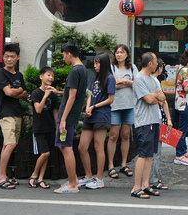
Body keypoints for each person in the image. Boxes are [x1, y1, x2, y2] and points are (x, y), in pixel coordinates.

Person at [54, 41, 89, 194]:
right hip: (70, 115)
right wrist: (60, 92)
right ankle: (73, 180)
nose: (63, 59)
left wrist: (63, 119)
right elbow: (72, 94)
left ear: (69, 53)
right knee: (64, 146)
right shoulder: (83, 70)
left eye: (63, 55)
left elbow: (72, 97)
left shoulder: (75, 71)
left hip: (67, 116)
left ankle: (72, 184)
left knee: (66, 147)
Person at [130, 51, 166, 199]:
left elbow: (162, 98)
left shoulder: (152, 80)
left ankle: (146, 185)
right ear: (150, 63)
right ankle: (136, 187)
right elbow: (149, 100)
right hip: (143, 122)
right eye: (156, 61)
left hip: (154, 121)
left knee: (150, 155)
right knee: (143, 155)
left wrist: (156, 96)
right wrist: (155, 96)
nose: (158, 64)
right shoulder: (139, 79)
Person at [78, 52, 115, 189]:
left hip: (102, 114)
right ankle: (88, 176)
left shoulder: (110, 78)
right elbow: (89, 95)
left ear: (104, 63)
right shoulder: (94, 77)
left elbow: (110, 99)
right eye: (94, 62)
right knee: (82, 147)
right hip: (91, 114)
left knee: (98, 146)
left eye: (98, 63)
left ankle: (99, 179)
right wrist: (88, 107)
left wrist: (94, 106)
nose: (95, 65)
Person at [0, 43, 27, 190]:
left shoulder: (19, 75)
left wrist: (17, 91)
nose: (9, 59)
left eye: (12, 56)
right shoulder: (0, 73)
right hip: (5, 113)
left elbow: (25, 94)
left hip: (17, 112)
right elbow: (8, 93)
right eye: (6, 56)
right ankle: (0, 177)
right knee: (10, 144)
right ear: (3, 57)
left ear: (18, 57)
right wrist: (18, 91)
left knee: (8, 144)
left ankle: (5, 176)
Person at [107, 44, 138, 179]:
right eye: (117, 52)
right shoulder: (111, 67)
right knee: (113, 135)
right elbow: (111, 85)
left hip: (129, 105)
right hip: (115, 106)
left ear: (127, 54)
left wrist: (123, 81)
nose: (119, 54)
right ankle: (110, 165)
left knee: (126, 135)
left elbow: (137, 83)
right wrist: (128, 81)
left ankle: (124, 164)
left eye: (122, 52)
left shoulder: (133, 68)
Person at [29, 66, 59, 189]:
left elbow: (55, 112)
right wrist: (45, 96)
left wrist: (58, 127)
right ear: (41, 76)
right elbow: (38, 109)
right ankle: (33, 175)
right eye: (48, 75)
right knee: (44, 153)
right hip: (39, 128)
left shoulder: (54, 94)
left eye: (52, 75)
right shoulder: (36, 93)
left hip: (50, 128)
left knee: (47, 153)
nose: (51, 77)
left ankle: (41, 178)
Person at [149, 58, 172, 192]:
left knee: (152, 151)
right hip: (155, 119)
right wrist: (168, 119)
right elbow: (163, 101)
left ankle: (151, 178)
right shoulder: (155, 81)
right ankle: (154, 180)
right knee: (156, 152)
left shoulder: (147, 80)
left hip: (152, 119)